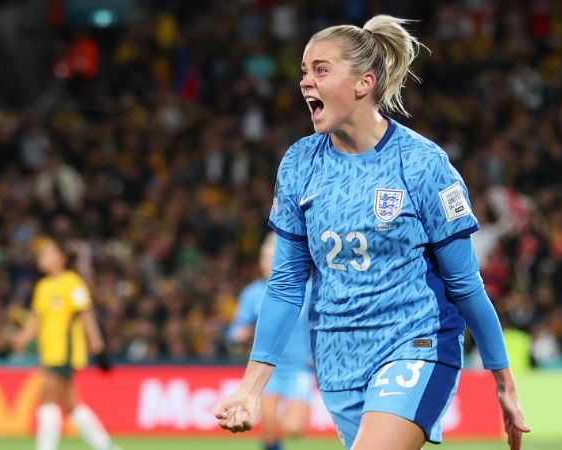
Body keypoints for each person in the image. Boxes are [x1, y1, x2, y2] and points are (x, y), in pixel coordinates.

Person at [214, 15, 530, 450]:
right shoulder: (299, 165)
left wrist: (503, 380)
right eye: (304, 71)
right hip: (337, 356)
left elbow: (465, 284)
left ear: (363, 83)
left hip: (416, 343)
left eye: (321, 70)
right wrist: (250, 389)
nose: (306, 82)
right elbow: (286, 285)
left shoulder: (422, 165)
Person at [10, 238, 119, 450]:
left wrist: (99, 348)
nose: (42, 257)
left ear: (61, 258)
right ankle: (107, 447)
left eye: (48, 253)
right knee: (71, 405)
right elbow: (35, 322)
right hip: (49, 353)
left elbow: (87, 317)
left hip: (65, 352)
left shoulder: (72, 283)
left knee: (47, 399)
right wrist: (15, 343)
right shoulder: (42, 287)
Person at [226, 232, 314, 450]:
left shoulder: (308, 289)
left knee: (294, 427)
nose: (267, 262)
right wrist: (239, 334)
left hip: (299, 367)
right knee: (269, 430)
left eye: (272, 256)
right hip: (268, 368)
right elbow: (236, 328)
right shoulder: (252, 293)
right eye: (264, 257)